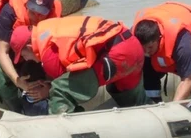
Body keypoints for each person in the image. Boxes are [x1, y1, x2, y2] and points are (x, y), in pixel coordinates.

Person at [10, 15, 148, 115]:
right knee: (131, 99)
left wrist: (48, 90)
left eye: (23, 55)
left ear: (29, 46)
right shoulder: (49, 27)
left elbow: (66, 86)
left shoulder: (47, 53)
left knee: (59, 92)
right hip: (133, 46)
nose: (26, 59)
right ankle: (152, 113)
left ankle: (71, 132)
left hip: (116, 56)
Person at [0, 0, 62, 113]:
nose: (36, 17)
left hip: (30, 51)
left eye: (41, 14)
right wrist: (17, 81)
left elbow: (55, 58)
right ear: (27, 6)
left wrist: (49, 86)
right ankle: (17, 110)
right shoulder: (9, 12)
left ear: (49, 11)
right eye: (33, 12)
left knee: (38, 75)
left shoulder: (55, 18)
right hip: (1, 47)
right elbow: (2, 52)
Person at [132, 1, 191, 103]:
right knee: (147, 68)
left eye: (150, 47)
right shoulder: (136, 35)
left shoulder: (181, 45)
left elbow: (188, 80)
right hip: (169, 14)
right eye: (143, 48)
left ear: (159, 39)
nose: (146, 51)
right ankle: (152, 103)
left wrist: (172, 110)